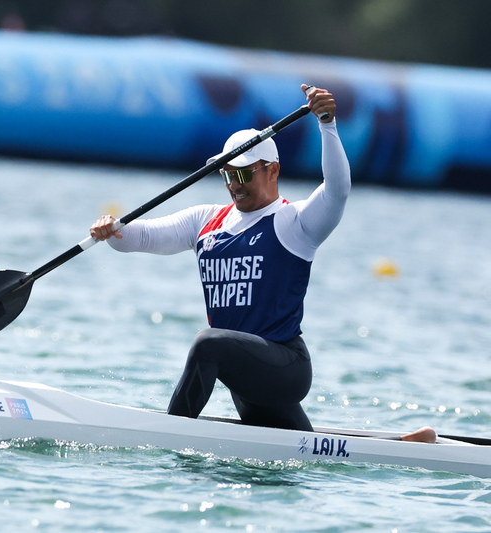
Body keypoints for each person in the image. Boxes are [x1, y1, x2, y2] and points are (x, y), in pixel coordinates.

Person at [91, 84, 438, 443]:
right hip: (245, 372)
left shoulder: (295, 222)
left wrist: (327, 125)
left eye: (244, 174)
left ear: (272, 171)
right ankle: (403, 446)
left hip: (284, 366)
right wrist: (113, 229)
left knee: (207, 344)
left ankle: (163, 438)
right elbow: (142, 237)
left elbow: (337, 190)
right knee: (308, 448)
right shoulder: (205, 220)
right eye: (227, 174)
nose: (234, 184)